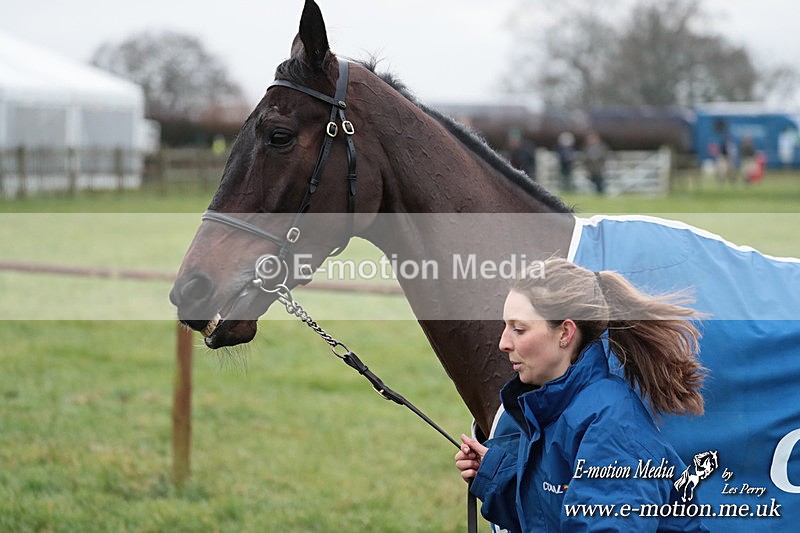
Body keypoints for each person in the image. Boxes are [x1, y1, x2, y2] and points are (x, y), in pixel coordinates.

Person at [455, 258, 708, 532]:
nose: (503, 343)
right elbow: (549, 513)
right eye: (505, 327)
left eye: (519, 329)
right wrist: (495, 474)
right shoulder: (551, 407)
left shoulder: (611, 426)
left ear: (565, 332)